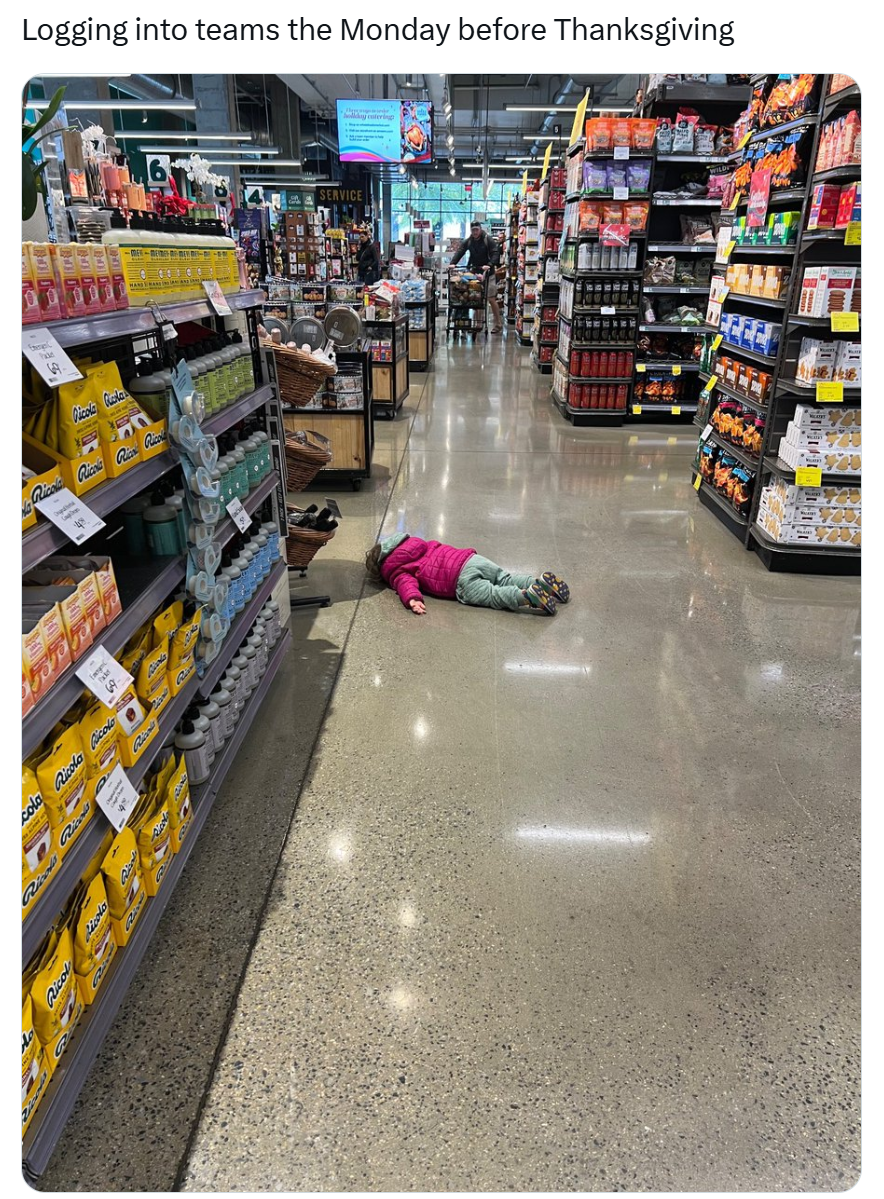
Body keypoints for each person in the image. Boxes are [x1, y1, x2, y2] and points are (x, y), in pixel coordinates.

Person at [365, 532, 570, 616]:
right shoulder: (417, 542)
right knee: (504, 577)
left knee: (492, 594)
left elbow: (406, 585)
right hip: (471, 559)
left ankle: (526, 596)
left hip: (458, 580)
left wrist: (412, 600)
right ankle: (538, 582)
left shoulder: (395, 569)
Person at [450, 221, 503, 333]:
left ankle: (498, 324)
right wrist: (453, 263)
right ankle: (478, 324)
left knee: (491, 298)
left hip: (488, 272)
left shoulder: (487, 239)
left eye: (476, 230)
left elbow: (495, 253)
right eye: (473, 230)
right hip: (474, 272)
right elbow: (460, 251)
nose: (475, 232)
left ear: (480, 229)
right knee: (476, 298)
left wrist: (489, 265)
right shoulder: (469, 241)